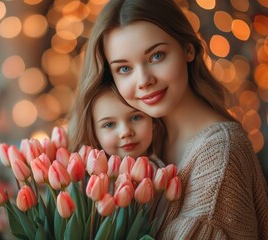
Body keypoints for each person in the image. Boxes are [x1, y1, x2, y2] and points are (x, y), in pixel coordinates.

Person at [69, 0, 268, 239]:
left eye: (157, 56)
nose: (143, 80)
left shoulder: (220, 157)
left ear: (188, 49)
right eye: (124, 69)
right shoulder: (141, 136)